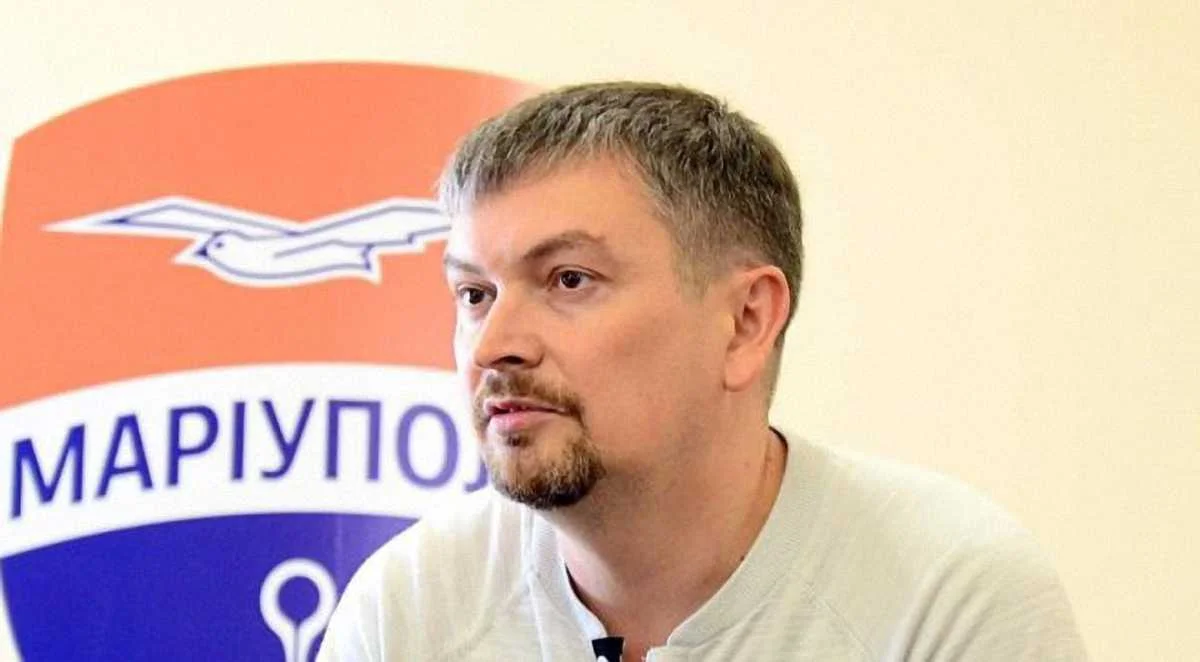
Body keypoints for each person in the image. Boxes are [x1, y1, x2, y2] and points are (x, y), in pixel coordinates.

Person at [318, 82, 1087, 661]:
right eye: (474, 294)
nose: (494, 345)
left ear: (746, 321)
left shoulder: (947, 598)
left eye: (569, 280)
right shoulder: (409, 610)